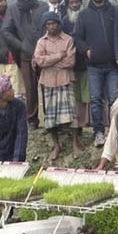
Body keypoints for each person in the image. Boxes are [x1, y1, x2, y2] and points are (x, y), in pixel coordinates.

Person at [73, 0, 118, 148]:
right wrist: (86, 50)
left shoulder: (113, 11)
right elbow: (77, 37)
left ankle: (115, 132)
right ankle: (98, 132)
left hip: (113, 64)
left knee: (114, 99)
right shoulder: (84, 15)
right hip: (93, 66)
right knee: (96, 99)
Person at [2, 0, 49, 131]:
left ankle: (50, 120)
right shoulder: (13, 9)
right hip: (25, 55)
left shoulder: (43, 7)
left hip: (44, 54)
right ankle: (32, 121)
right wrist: (21, 45)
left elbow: (49, 26)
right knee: (30, 89)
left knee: (47, 87)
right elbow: (6, 31)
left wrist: (42, 47)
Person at [33, 12, 80, 160]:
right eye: (48, 24)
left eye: (54, 23)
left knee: (72, 113)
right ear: (45, 26)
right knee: (51, 116)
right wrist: (59, 56)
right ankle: (56, 145)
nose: (52, 26)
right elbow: (39, 61)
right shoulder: (42, 42)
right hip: (48, 81)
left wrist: (50, 61)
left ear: (59, 24)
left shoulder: (68, 40)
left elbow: (70, 62)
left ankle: (75, 144)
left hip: (66, 79)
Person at [61, 0, 91, 128]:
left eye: (76, 1)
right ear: (67, 5)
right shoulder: (64, 21)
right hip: (71, 63)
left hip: (86, 60)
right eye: (71, 2)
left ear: (81, 2)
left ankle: (88, 120)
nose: (74, 4)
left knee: (88, 92)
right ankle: (78, 120)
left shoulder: (86, 16)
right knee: (76, 93)